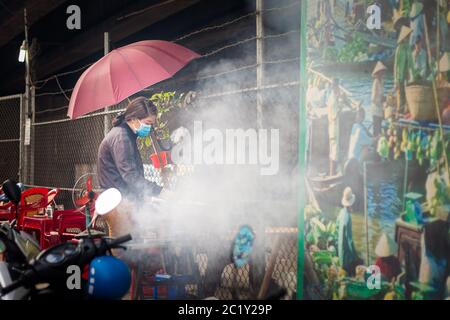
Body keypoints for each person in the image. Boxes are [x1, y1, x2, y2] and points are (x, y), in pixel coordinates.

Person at [336, 187, 360, 276]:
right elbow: (350, 241)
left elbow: (337, 229)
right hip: (346, 257)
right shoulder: (348, 218)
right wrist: (355, 256)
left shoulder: (341, 212)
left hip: (340, 252)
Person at [394, 26, 413, 114]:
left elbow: (410, 63)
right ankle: (399, 113)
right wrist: (396, 80)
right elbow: (396, 65)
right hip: (399, 76)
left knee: (406, 95)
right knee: (400, 96)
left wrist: (413, 74)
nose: (408, 38)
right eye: (407, 37)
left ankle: (405, 112)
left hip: (406, 75)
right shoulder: (399, 49)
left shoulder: (408, 47)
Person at [327, 78, 342, 176]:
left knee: (333, 151)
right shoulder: (332, 100)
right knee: (334, 153)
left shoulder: (331, 98)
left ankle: (331, 173)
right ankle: (332, 175)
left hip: (333, 129)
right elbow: (335, 115)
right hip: (334, 130)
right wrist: (340, 105)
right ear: (335, 87)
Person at [371, 61, 387, 136]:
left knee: (379, 129)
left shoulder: (381, 82)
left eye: (383, 72)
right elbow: (373, 98)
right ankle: (375, 145)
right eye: (381, 72)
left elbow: (382, 95)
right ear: (378, 73)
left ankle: (377, 144)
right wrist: (381, 100)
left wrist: (385, 98)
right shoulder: (376, 82)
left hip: (380, 108)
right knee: (376, 130)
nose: (382, 74)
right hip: (375, 109)